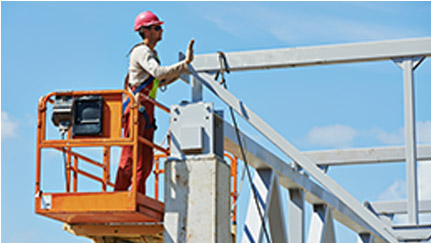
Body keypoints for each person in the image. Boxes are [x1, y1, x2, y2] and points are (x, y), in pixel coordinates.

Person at [114, 10, 194, 194]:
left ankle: (137, 196)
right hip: (137, 109)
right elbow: (158, 73)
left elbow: (161, 80)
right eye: (157, 28)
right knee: (130, 156)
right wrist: (184, 64)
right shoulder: (142, 52)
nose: (161, 31)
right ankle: (119, 195)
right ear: (146, 31)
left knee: (145, 160)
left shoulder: (151, 53)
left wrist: (183, 69)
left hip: (146, 110)